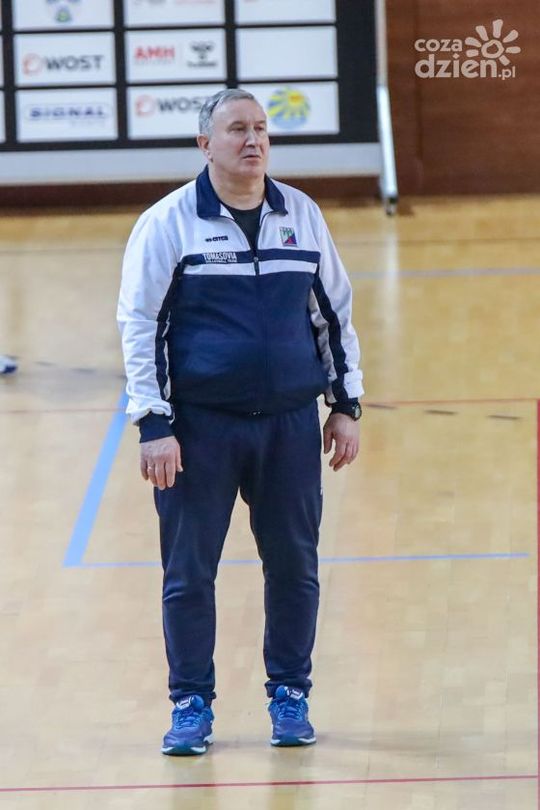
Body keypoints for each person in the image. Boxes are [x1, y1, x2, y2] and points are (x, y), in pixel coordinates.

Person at [118, 89, 363, 756]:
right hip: (199, 432)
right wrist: (153, 423)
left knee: (295, 567)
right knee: (188, 573)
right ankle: (190, 704)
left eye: (260, 129)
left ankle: (290, 694)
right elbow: (140, 326)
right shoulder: (168, 223)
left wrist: (345, 405)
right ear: (205, 144)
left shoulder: (301, 215)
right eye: (236, 130)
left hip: (288, 427)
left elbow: (334, 315)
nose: (252, 140)